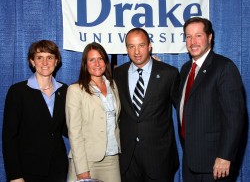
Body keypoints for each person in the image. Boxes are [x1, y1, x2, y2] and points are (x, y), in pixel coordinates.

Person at [178, 17, 245, 181]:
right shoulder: (186, 69)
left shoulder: (224, 67)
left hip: (215, 163)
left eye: (198, 35)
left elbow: (234, 117)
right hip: (191, 160)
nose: (192, 41)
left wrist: (225, 156)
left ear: (209, 37)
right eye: (188, 36)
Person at [114, 27, 180, 182]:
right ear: (126, 49)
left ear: (150, 46)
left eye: (141, 45)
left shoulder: (168, 73)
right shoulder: (117, 74)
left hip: (159, 158)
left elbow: (185, 110)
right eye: (131, 46)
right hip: (128, 159)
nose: (137, 51)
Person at [2, 40, 68, 182]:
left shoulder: (65, 90)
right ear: (32, 61)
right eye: (39, 57)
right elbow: (9, 138)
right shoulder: (18, 91)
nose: (45, 62)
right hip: (28, 170)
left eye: (49, 57)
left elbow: (66, 128)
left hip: (58, 169)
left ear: (56, 61)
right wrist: (15, 176)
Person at [66, 42, 121, 182]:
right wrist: (82, 168)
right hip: (86, 160)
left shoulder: (113, 85)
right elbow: (74, 132)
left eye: (100, 59)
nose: (97, 63)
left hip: (111, 158)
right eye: (92, 60)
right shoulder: (75, 90)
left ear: (105, 62)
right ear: (85, 64)